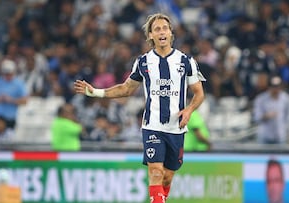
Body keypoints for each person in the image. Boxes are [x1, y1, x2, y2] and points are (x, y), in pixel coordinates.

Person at [74, 13, 205, 203]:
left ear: (170, 33)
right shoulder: (143, 62)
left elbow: (199, 93)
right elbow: (126, 89)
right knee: (156, 172)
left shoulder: (186, 61)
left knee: (168, 176)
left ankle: (160, 198)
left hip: (176, 128)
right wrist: (96, 92)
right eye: (157, 29)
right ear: (150, 35)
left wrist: (189, 110)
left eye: (165, 28)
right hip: (152, 126)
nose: (162, 32)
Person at [0, 59, 28, 129]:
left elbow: (25, 101)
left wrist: (11, 100)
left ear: (14, 72)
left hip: (11, 118)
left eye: (10, 73)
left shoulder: (19, 83)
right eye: (6, 74)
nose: (8, 76)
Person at [253, 75, 289, 144]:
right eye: (274, 86)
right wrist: (266, 116)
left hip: (280, 136)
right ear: (269, 87)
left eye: (278, 86)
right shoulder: (261, 99)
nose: (276, 89)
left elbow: (288, 116)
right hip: (265, 136)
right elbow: (256, 118)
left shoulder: (285, 98)